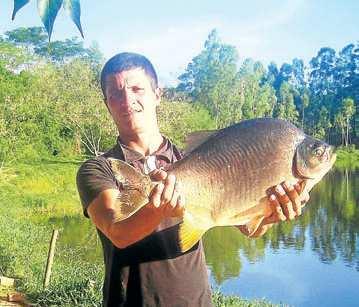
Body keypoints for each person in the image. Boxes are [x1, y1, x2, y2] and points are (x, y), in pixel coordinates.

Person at [76, 52, 310, 307]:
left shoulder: (196, 159)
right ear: (107, 103)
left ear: (157, 94)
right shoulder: (99, 169)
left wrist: (269, 214)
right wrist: (159, 210)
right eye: (116, 93)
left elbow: (248, 227)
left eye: (137, 89)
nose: (127, 100)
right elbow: (117, 232)